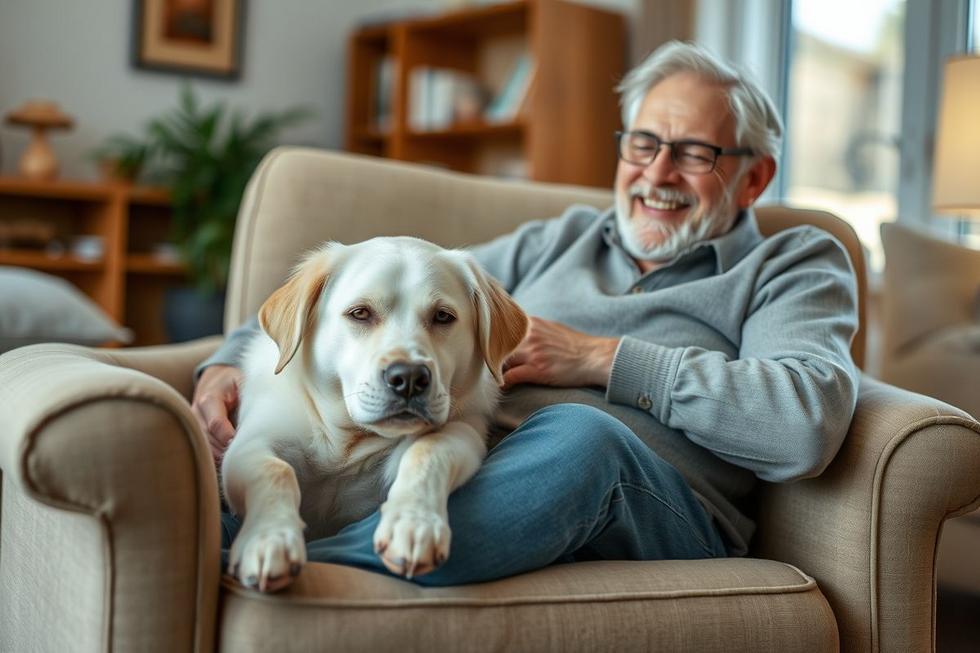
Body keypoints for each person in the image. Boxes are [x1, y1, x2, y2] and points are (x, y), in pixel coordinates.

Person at [192, 41, 859, 586]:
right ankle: (243, 547)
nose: (657, 174)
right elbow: (382, 294)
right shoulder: (559, 238)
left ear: (754, 178)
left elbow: (806, 419)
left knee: (581, 437)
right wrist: (228, 361)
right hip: (477, 468)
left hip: (651, 500)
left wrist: (601, 359)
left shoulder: (794, 262)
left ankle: (285, 569)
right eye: (643, 144)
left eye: (692, 153)